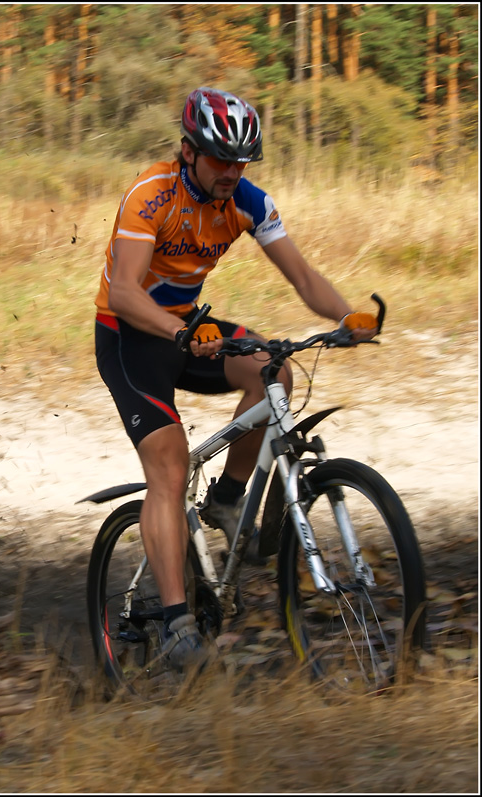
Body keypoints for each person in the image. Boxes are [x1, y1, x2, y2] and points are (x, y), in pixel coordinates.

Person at [94, 86, 378, 671]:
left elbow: (303, 276)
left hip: (189, 328)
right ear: (188, 151)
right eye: (221, 159)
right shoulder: (152, 194)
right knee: (169, 468)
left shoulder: (248, 201)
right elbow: (123, 292)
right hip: (129, 335)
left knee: (275, 371)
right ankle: (177, 625)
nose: (231, 172)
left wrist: (344, 316)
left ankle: (226, 498)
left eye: (241, 162)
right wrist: (178, 333)